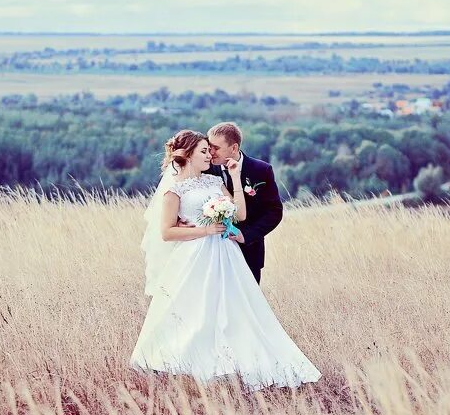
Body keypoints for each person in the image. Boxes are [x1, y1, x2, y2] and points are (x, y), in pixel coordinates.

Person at [130, 130, 320, 390]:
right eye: (204, 151)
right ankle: (188, 365)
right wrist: (204, 230)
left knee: (235, 309)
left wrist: (234, 177)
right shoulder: (173, 190)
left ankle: (234, 364)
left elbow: (240, 214)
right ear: (187, 155)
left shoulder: (213, 182)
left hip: (226, 253)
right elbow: (167, 232)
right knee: (196, 312)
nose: (210, 155)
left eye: (210, 150)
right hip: (195, 256)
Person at [206, 121, 282, 284]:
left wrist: (246, 236)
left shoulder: (261, 170)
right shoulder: (206, 169)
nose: (211, 152)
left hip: (249, 251)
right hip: (212, 250)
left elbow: (274, 212)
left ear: (234, 148)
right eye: (209, 146)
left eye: (216, 148)